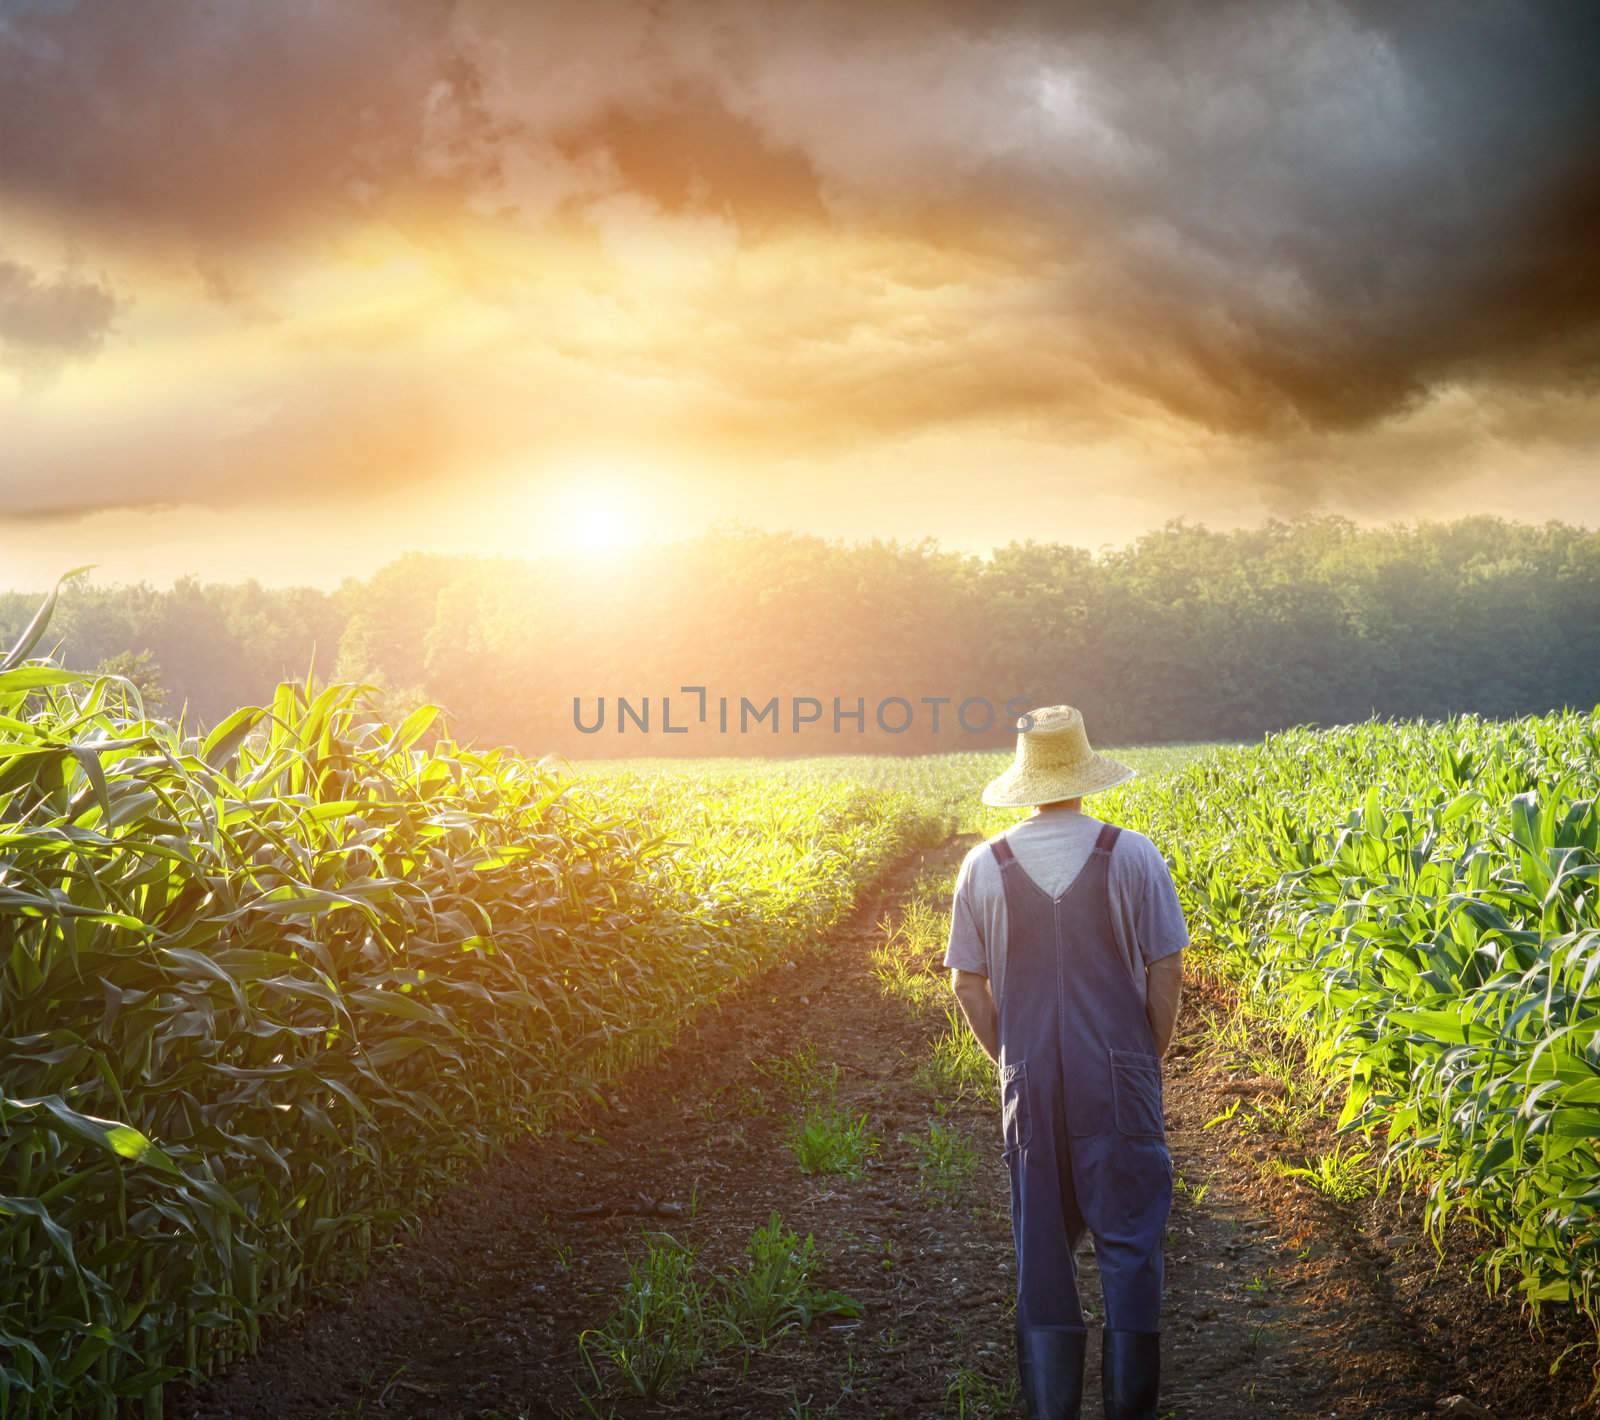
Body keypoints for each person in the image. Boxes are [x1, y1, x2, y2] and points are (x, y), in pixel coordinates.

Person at [945, 705, 1187, 1420]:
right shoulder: (1133, 853)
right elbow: (1166, 966)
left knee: (1042, 1257)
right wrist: (1149, 1052)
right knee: (1131, 1245)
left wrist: (1009, 1059)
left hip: (1029, 1082)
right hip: (1120, 1074)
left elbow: (966, 981)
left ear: (1025, 778)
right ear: (1084, 772)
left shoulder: (982, 866)